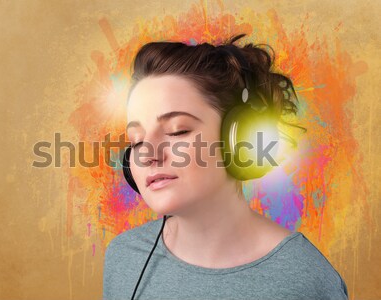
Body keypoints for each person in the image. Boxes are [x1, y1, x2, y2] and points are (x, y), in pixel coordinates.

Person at [102, 34, 348, 300]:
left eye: (177, 131)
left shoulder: (305, 277)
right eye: (137, 141)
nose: (148, 154)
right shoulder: (124, 257)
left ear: (239, 139)